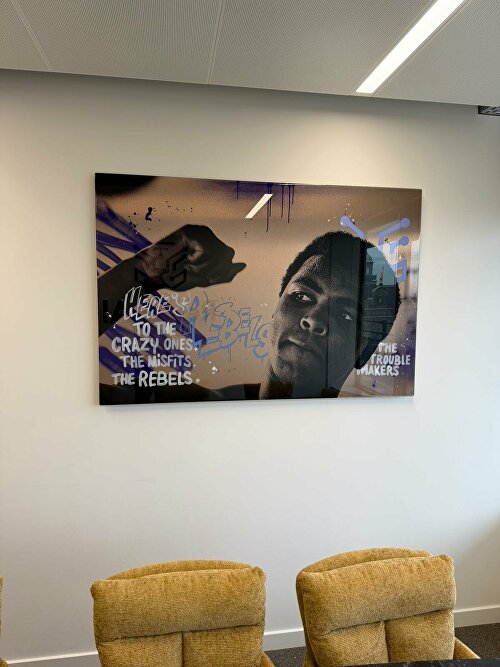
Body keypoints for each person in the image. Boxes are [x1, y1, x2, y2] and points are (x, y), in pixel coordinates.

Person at [98, 208, 399, 403]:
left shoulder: (369, 438)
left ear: (366, 350)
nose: (314, 320)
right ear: (276, 309)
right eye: (302, 297)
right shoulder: (194, 406)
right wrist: (142, 272)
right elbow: (69, 378)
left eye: (346, 314)